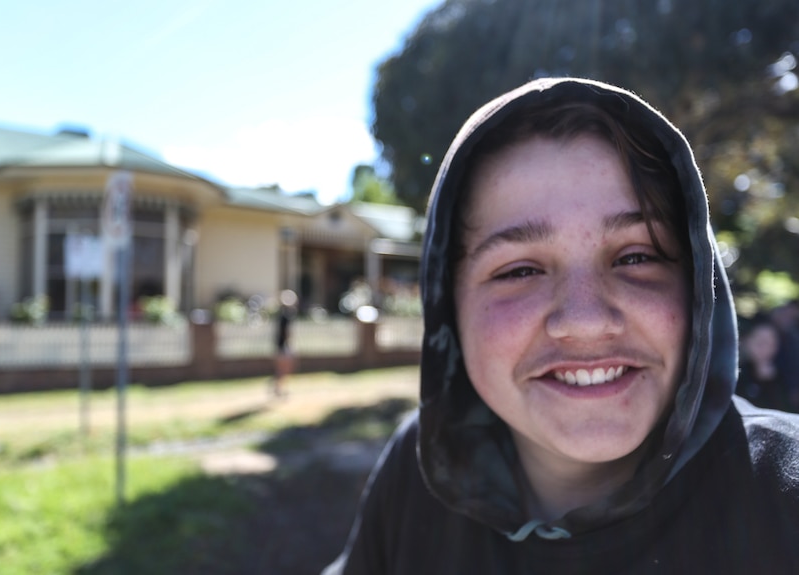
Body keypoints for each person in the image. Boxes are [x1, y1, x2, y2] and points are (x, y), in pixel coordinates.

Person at [323, 78, 799, 574]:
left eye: (636, 256)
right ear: (449, 308)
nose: (585, 322)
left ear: (697, 285)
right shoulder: (420, 474)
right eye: (520, 270)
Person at [736, 313, 787, 410]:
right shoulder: (731, 368)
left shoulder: (779, 374)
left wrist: (767, 383)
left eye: (771, 344)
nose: (765, 348)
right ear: (746, 340)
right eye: (760, 342)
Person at [271, 289, 298, 397]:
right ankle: (277, 388)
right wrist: (289, 344)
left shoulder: (281, 315)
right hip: (284, 346)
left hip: (280, 346)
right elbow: (286, 332)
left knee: (282, 370)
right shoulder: (286, 316)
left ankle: (279, 388)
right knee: (283, 369)